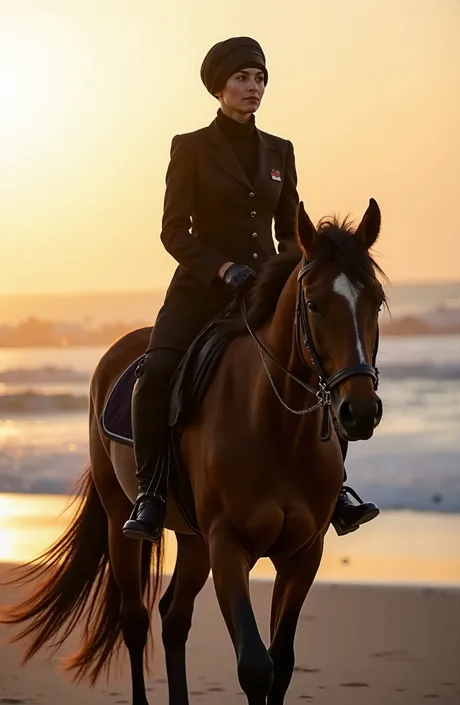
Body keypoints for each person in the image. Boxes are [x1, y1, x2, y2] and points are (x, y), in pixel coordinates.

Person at [122, 36, 380, 542]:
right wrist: (220, 269)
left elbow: (291, 231)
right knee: (155, 374)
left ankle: (336, 489)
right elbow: (173, 231)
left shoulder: (280, 150)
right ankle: (151, 492)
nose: (253, 87)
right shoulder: (191, 147)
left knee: (323, 368)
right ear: (219, 87)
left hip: (265, 287)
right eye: (242, 78)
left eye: (260, 78)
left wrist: (291, 272)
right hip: (201, 286)